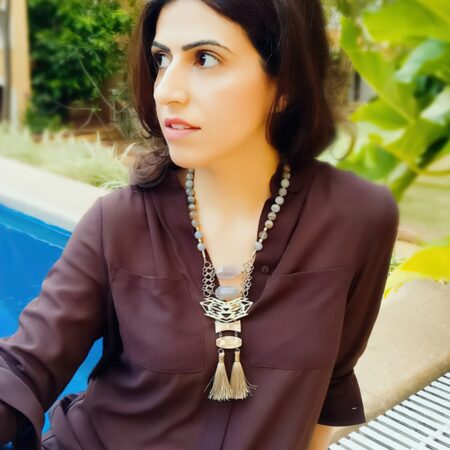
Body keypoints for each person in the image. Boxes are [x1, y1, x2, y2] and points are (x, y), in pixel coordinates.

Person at [0, 0, 399, 449]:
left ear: (285, 83)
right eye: (161, 59)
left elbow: (331, 385)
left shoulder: (359, 218)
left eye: (205, 58)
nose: (166, 90)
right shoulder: (118, 223)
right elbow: (23, 367)